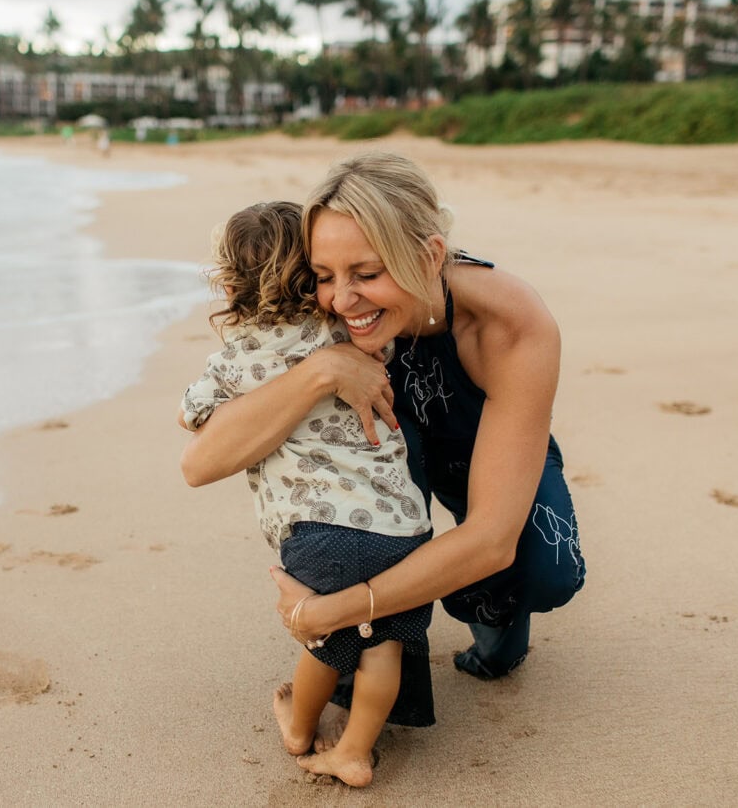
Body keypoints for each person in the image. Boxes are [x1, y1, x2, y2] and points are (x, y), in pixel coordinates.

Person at [180, 151, 585, 712]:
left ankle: (489, 611)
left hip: (477, 442)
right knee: (362, 530)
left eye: (368, 274)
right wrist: (322, 370)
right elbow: (200, 464)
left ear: (429, 256)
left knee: (546, 571)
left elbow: (491, 538)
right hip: (381, 469)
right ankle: (374, 663)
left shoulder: (511, 324)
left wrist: (332, 610)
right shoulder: (321, 322)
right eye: (324, 276)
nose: (344, 302)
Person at [180, 201, 436, 788]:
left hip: (322, 529)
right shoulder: (346, 331)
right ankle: (353, 750)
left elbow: (192, 416)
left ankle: (299, 730)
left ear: (230, 282)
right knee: (384, 644)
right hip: (402, 526)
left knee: (326, 641)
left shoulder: (238, 356)